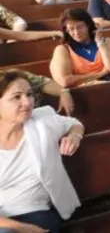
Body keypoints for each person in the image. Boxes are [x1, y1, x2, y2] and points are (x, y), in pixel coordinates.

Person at [0, 70, 84, 233]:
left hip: (36, 211)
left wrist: (75, 136)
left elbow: (74, 123)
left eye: (29, 94)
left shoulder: (42, 120)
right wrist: (20, 227)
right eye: (16, 97)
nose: (27, 102)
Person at [50, 8, 110, 87]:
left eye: (80, 27)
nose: (76, 32)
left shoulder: (108, 42)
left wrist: (100, 43)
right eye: (71, 29)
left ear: (88, 25)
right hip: (82, 91)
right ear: (67, 31)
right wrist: (100, 74)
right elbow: (65, 81)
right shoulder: (63, 50)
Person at [7, 69, 75, 116]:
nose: (26, 101)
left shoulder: (13, 76)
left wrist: (64, 92)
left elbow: (43, 82)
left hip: (35, 119)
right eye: (17, 97)